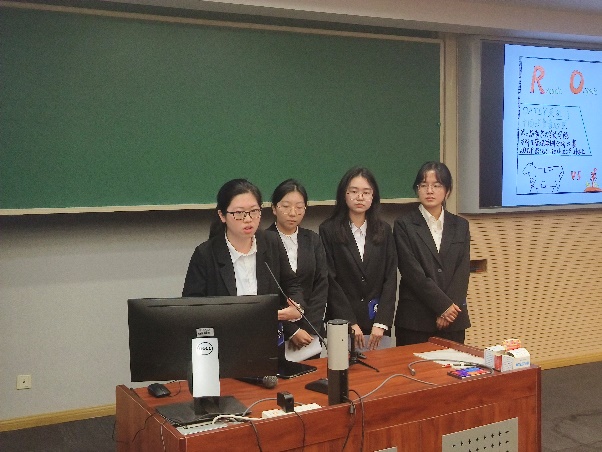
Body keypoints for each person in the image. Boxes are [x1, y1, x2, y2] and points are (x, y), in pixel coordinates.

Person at [182, 179, 304, 335]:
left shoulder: (272, 242)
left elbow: (291, 283)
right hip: (224, 338)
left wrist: (296, 306)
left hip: (267, 336)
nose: (248, 219)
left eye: (254, 211)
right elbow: (192, 308)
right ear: (222, 215)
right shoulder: (205, 254)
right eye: (239, 213)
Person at [319, 167, 397, 351]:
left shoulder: (384, 230)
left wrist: (382, 322)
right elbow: (330, 280)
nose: (360, 197)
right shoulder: (328, 230)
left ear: (373, 196)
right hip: (342, 324)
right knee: (343, 368)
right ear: (344, 194)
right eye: (353, 191)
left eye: (366, 192)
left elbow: (390, 277)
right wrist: (350, 322)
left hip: (376, 325)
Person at [393, 161, 471, 346]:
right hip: (416, 321)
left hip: (453, 320)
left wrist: (449, 309)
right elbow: (412, 272)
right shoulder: (404, 224)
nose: (429, 191)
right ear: (417, 189)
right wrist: (442, 306)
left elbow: (462, 271)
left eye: (436, 185)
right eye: (424, 185)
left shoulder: (461, 225)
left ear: (447, 191)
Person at [267, 179, 328, 360]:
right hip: (275, 332)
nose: (293, 213)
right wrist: (292, 330)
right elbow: (265, 291)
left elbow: (321, 285)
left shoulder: (313, 240)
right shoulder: (263, 242)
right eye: (286, 206)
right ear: (274, 208)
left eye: (299, 207)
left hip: (310, 335)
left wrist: (308, 328)